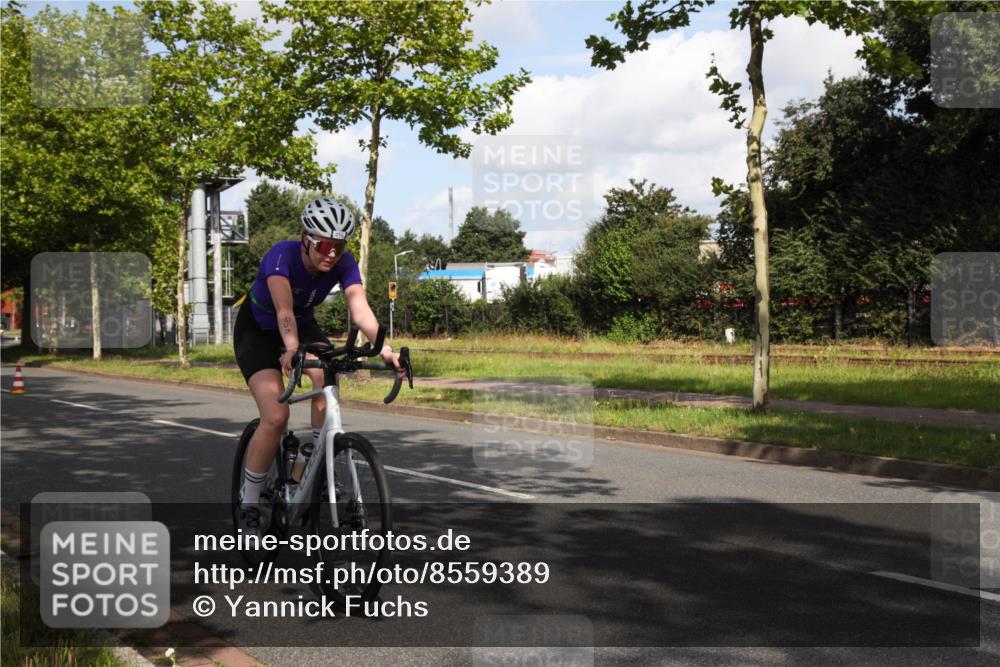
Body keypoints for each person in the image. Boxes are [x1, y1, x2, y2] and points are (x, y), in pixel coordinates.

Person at [233, 197, 403, 533]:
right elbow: (283, 312)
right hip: (259, 330)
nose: (331, 254)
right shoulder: (281, 256)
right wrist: (292, 348)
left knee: (327, 375)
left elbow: (360, 310)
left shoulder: (344, 262)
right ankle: (249, 503)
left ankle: (315, 455)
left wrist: (385, 349)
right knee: (276, 416)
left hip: (303, 323)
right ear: (306, 239)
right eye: (324, 245)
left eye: (338, 247)